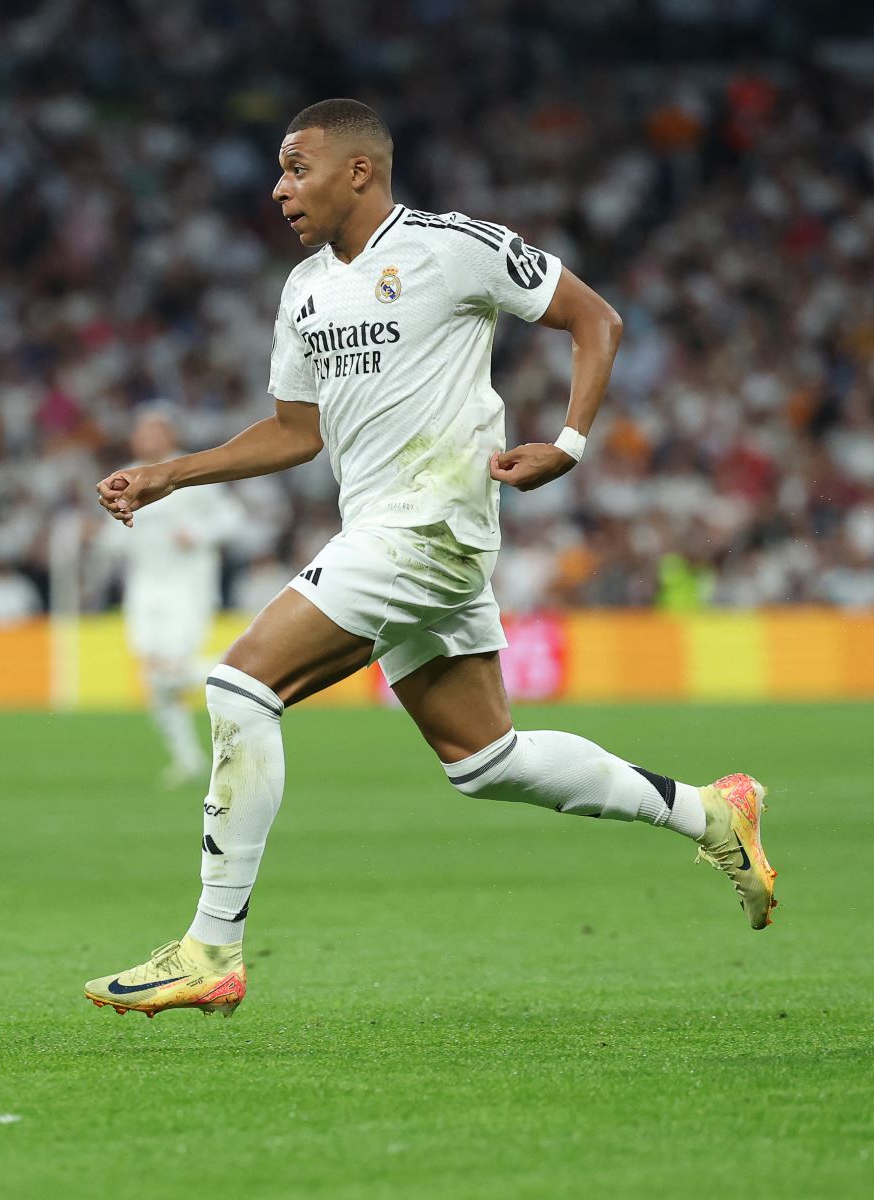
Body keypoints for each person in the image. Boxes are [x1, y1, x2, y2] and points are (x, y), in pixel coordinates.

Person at [83, 100, 776, 1018]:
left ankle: (211, 948)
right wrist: (175, 473)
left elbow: (595, 318)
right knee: (486, 759)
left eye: (297, 167)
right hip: (386, 526)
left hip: (429, 526)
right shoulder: (304, 291)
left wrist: (568, 444)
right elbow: (297, 432)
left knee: (240, 688)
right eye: (280, 171)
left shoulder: (454, 248)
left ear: (360, 171)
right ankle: (710, 811)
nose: (280, 187)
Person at [105, 408, 245, 786]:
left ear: (169, 434)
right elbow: (112, 535)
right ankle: (188, 759)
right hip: (144, 587)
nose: (145, 438)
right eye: (140, 431)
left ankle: (246, 670)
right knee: (153, 677)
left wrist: (197, 533)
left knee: (169, 671)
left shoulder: (189, 472)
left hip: (187, 586)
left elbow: (233, 518)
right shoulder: (126, 476)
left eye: (153, 431)